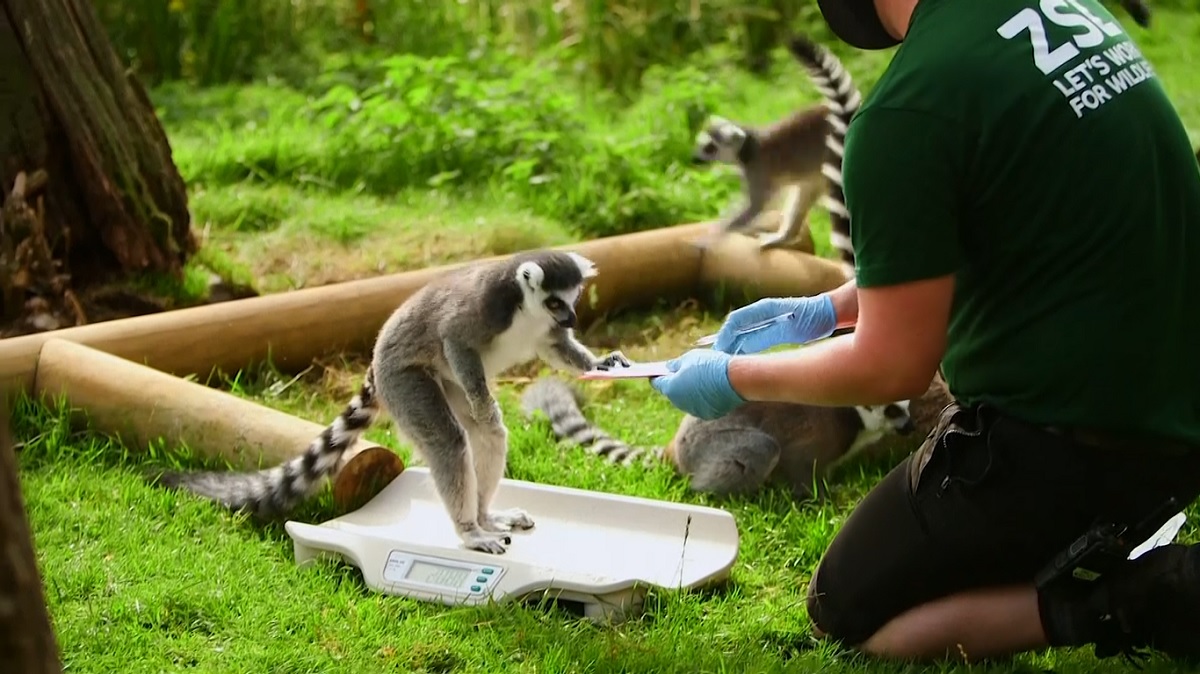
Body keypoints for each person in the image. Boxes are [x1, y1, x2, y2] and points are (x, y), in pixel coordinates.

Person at [650, 0, 1200, 664]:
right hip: (1179, 410)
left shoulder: (907, 110)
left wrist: (733, 378)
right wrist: (821, 310)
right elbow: (1003, 225)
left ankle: (1129, 599)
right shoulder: (1067, 10)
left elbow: (893, 367)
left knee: (848, 612)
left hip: (1082, 446)